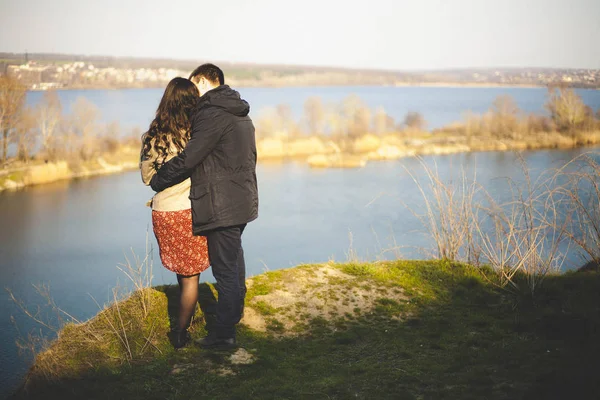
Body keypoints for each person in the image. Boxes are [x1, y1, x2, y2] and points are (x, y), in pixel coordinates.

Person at [150, 64, 258, 349]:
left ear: (201, 81)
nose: (192, 94)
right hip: (241, 199)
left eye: (192, 85)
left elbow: (190, 158)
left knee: (225, 271)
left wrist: (160, 179)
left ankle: (223, 335)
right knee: (234, 263)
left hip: (221, 204)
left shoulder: (212, 114)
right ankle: (234, 315)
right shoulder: (239, 111)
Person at [140, 77, 210, 349]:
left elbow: (147, 179)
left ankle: (182, 319)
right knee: (191, 276)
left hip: (164, 212)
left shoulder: (151, 137)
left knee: (182, 273)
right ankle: (180, 333)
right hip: (190, 211)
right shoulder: (197, 136)